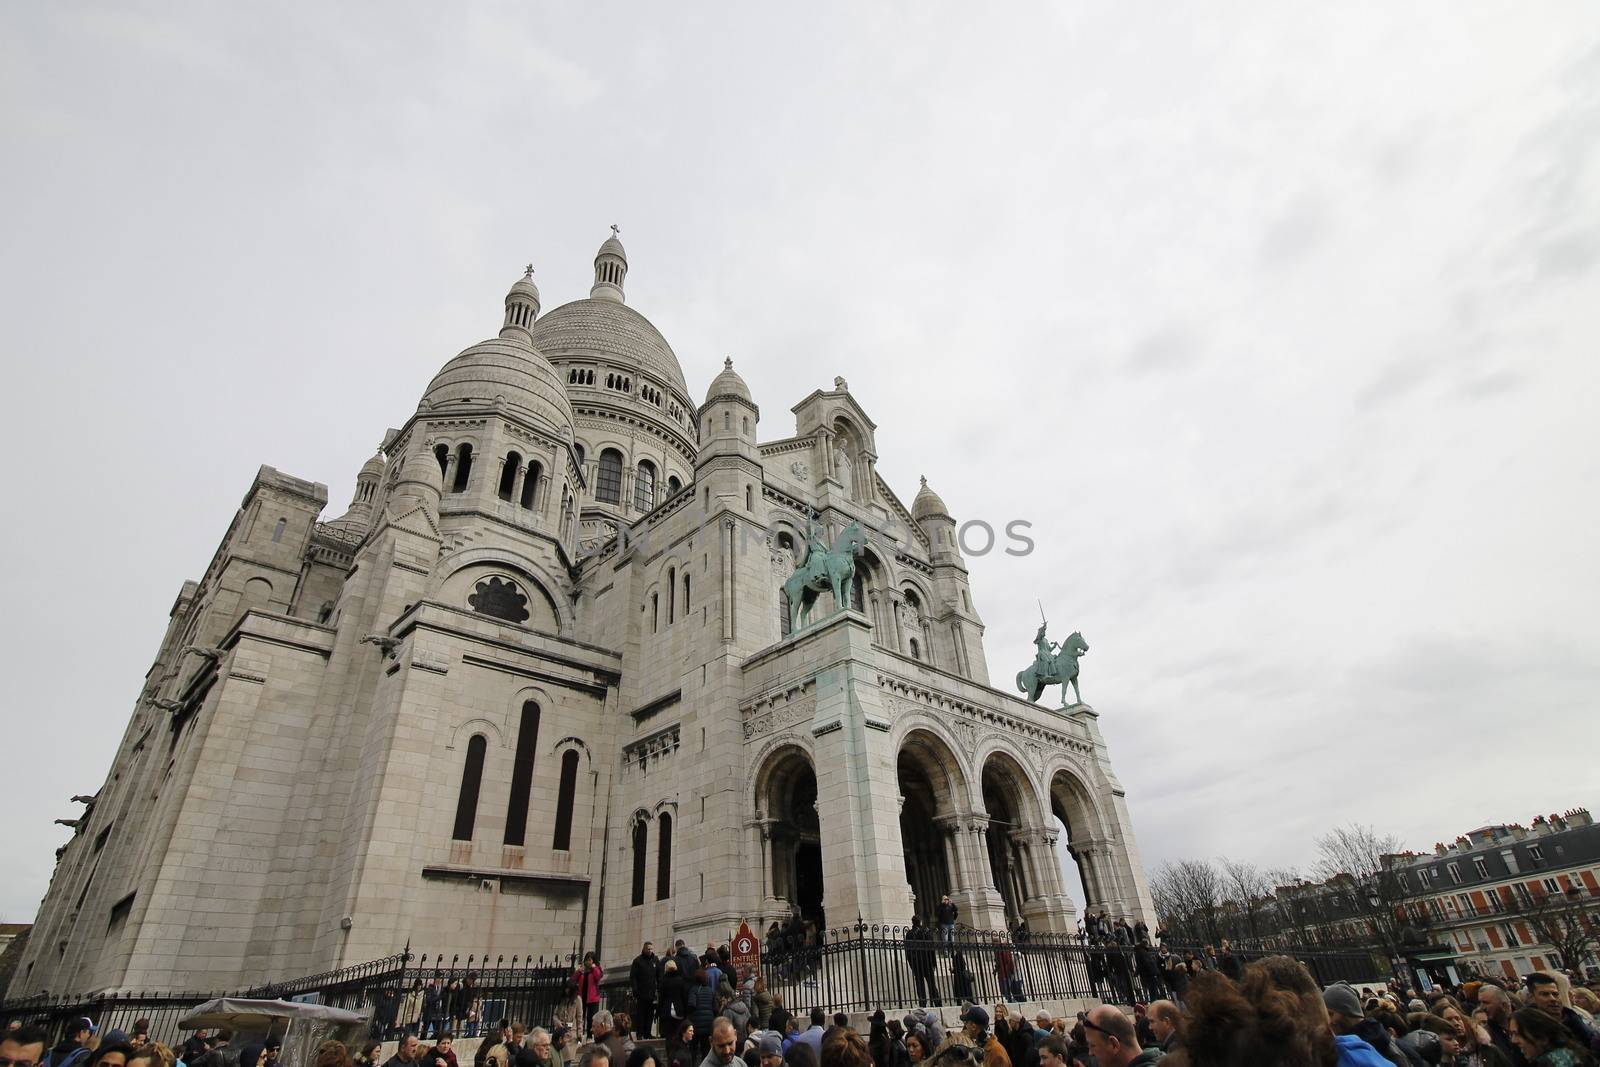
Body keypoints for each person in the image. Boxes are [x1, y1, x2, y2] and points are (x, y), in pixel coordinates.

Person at [1326, 983, 1405, 1067]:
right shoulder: (1383, 1037)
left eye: (1330, 1014)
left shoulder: (1349, 1052)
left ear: (1347, 1011)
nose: (1328, 1021)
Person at [1526, 974, 1597, 1054]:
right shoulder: (1524, 1025)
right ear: (1531, 997)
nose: (1553, 999)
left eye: (1555, 994)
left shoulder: (1571, 1017)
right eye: (1545, 994)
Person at [1509, 1006, 1595, 1067]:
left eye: (1517, 1034)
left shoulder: (1552, 1061)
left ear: (1541, 1036)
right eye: (1512, 1034)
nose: (1513, 1040)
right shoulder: (1571, 1052)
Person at [632, 943, 661, 1041]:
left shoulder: (655, 960)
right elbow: (633, 977)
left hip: (652, 993)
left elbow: (659, 975)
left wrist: (658, 988)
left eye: (651, 949)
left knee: (650, 1015)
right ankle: (639, 1033)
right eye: (648, 949)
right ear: (644, 949)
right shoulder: (637, 961)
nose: (650, 951)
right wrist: (635, 990)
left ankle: (647, 1033)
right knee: (641, 1015)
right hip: (641, 993)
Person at [576, 954, 605, 1037]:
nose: (588, 961)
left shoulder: (596, 969)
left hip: (592, 998)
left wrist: (593, 967)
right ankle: (579, 1036)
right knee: (579, 1018)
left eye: (590, 960)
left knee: (591, 1018)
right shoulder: (582, 971)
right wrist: (579, 971)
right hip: (582, 997)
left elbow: (598, 976)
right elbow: (574, 979)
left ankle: (590, 1035)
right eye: (587, 959)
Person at [660, 962, 689, 1036]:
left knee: (669, 1034)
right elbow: (684, 996)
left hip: (667, 1010)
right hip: (679, 1009)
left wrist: (659, 1011)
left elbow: (661, 998)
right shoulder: (680, 980)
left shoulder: (663, 981)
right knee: (678, 1032)